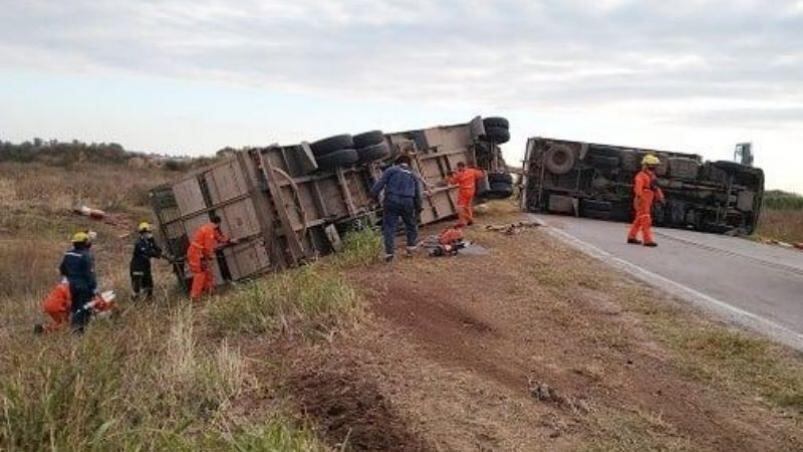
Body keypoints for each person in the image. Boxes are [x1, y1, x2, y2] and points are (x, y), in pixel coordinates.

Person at [371, 154, 423, 262]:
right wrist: (418, 207)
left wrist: (372, 196)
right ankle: (411, 248)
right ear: (408, 163)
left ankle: (389, 254)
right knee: (411, 225)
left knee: (389, 227)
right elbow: (418, 193)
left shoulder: (391, 170)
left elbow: (379, 184)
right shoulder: (413, 174)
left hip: (391, 200)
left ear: (398, 162)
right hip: (408, 201)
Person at [186, 214, 234, 301]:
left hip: (198, 253)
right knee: (199, 274)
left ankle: (210, 291)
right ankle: (194, 296)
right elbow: (208, 247)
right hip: (196, 254)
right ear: (218, 223)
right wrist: (209, 256)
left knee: (207, 272)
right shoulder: (209, 231)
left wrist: (229, 240)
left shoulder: (209, 228)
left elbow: (219, 238)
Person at [59, 232, 97, 333]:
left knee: (74, 307)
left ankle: (73, 326)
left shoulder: (68, 254)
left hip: (69, 286)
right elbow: (90, 274)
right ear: (85, 243)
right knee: (84, 308)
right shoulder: (87, 256)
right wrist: (94, 288)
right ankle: (78, 331)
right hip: (83, 287)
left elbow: (62, 269)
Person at [627, 154, 665, 247]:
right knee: (646, 219)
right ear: (648, 165)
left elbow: (655, 188)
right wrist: (639, 198)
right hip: (643, 198)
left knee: (639, 219)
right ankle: (647, 240)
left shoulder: (651, 176)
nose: (655, 167)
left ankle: (631, 237)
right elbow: (639, 187)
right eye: (653, 165)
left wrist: (661, 198)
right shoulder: (642, 175)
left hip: (647, 198)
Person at [130, 222, 163, 301]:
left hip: (145, 267)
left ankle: (148, 300)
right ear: (142, 233)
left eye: (148, 232)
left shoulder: (149, 242)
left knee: (149, 285)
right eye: (146, 233)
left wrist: (153, 241)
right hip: (137, 268)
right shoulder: (139, 243)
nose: (148, 234)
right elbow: (149, 252)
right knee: (137, 286)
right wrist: (157, 254)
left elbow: (159, 251)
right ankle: (136, 303)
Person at [447, 162, 485, 226]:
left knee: (460, 208)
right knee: (467, 207)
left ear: (460, 167)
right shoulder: (472, 171)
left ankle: (464, 221)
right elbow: (481, 175)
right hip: (471, 191)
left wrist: (449, 176)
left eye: (458, 167)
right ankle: (469, 221)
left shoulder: (459, 174)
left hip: (463, 193)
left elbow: (452, 182)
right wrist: (479, 169)